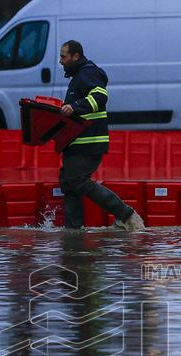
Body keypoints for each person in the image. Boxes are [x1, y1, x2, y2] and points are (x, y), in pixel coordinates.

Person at [57, 40, 145, 231]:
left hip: (88, 142)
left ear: (76, 56)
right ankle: (73, 232)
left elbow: (100, 95)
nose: (60, 61)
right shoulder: (78, 76)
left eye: (63, 56)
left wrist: (75, 106)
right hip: (76, 143)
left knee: (77, 182)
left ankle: (127, 215)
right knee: (70, 184)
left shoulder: (87, 72)